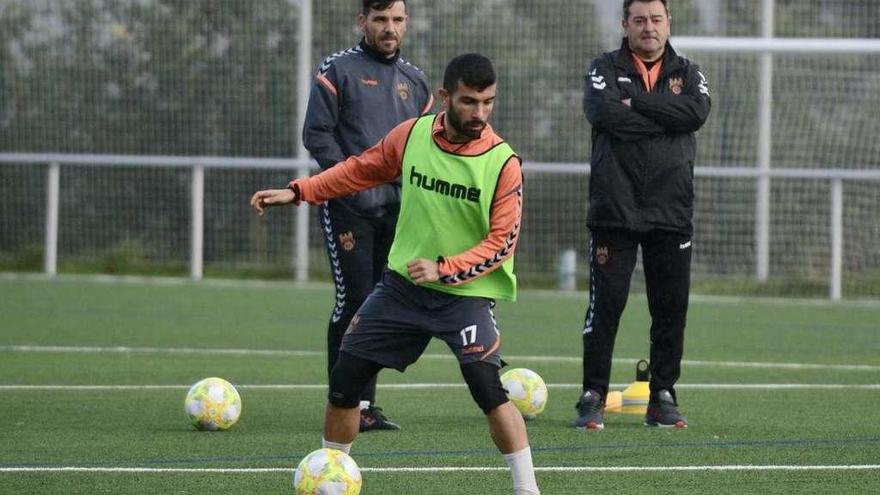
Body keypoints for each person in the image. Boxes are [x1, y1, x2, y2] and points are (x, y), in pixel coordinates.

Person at [252, 53, 540, 495]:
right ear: (445, 97)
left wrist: (445, 269)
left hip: (464, 295)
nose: (479, 113)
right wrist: (299, 192)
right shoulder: (412, 135)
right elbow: (358, 170)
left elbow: (502, 244)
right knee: (346, 378)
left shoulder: (503, 163)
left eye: (488, 102)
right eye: (469, 102)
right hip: (402, 289)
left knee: (487, 388)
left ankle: (527, 490)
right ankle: (332, 477)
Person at [574, 0, 711, 430]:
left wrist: (637, 103)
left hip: (671, 211)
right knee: (606, 308)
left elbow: (696, 113)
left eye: (656, 19)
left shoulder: (689, 73)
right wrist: (663, 117)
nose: (648, 28)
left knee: (670, 309)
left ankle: (663, 396)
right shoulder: (602, 68)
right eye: (639, 20)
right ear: (625, 24)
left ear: (668, 23)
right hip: (614, 209)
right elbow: (606, 114)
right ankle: (592, 394)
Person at [302, 0, 433, 431]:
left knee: (379, 307)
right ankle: (343, 403)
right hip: (348, 211)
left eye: (396, 20)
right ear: (363, 23)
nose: (389, 28)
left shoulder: (415, 81)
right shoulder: (337, 70)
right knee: (354, 300)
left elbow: (427, 151)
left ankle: (366, 407)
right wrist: (348, 180)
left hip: (397, 215)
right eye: (380, 20)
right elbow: (316, 134)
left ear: (406, 24)